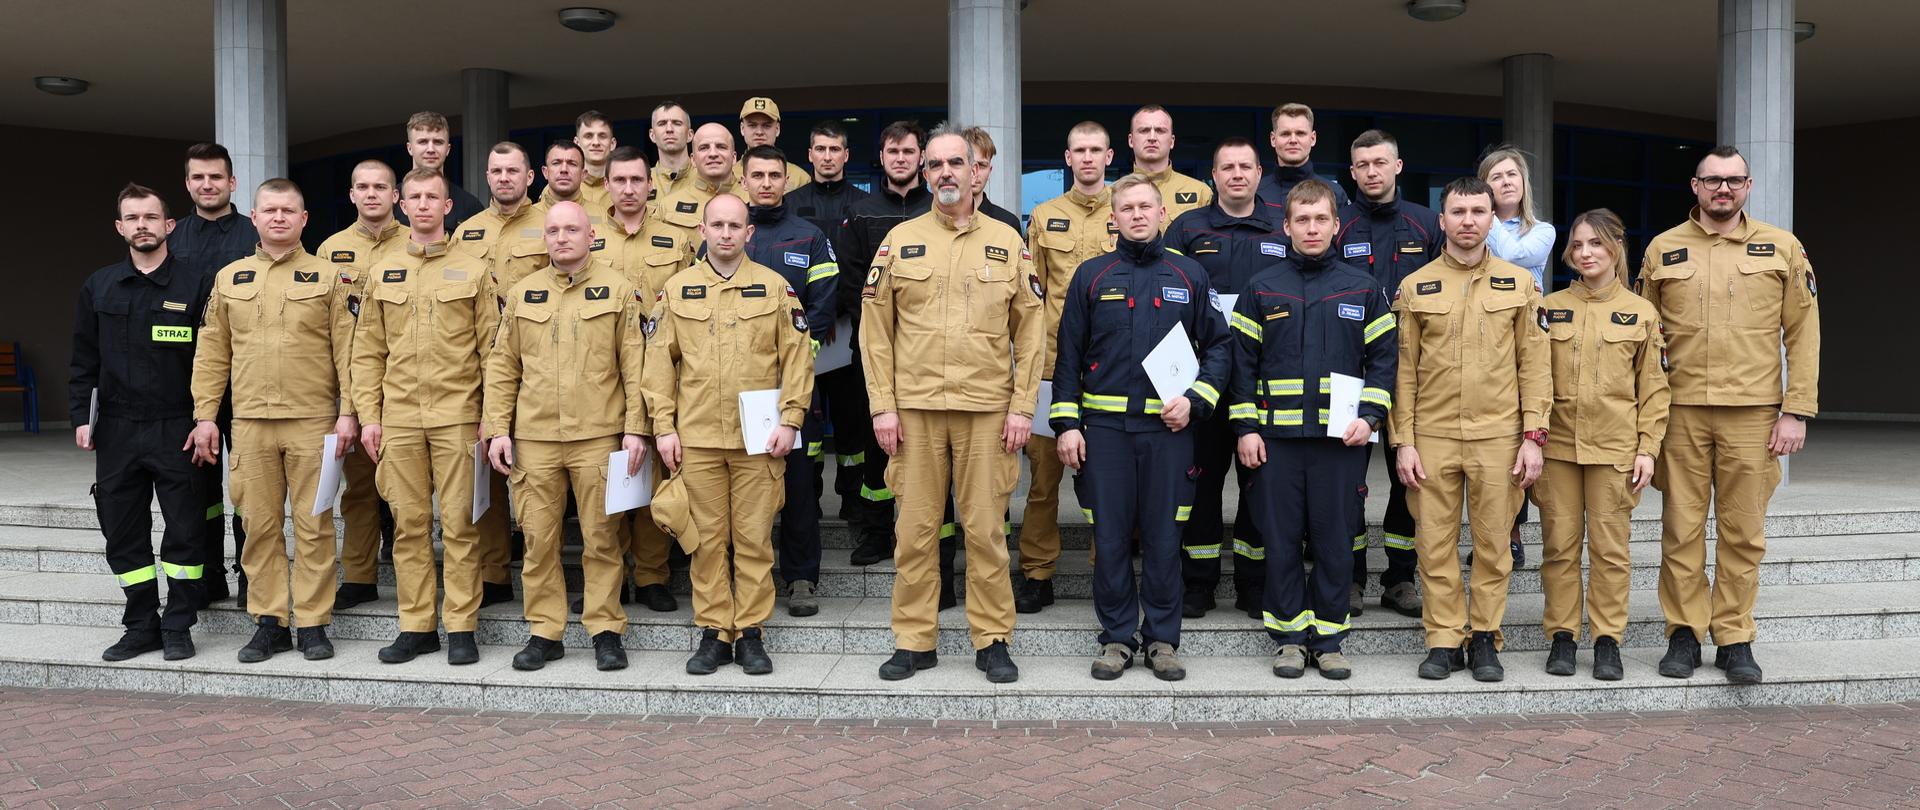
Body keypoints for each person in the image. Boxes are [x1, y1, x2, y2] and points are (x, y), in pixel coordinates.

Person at [860, 123, 1042, 684]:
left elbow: (1031, 329)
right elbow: (875, 329)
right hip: (913, 411)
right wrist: (882, 407)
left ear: (973, 170)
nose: (944, 173)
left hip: (986, 410)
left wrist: (1022, 407)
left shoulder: (1008, 241)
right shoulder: (899, 241)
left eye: (954, 164)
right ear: (924, 173)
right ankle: (915, 640)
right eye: (934, 165)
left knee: (985, 530)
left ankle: (992, 639)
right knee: (914, 531)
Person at [1640, 145, 1820, 685]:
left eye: (1734, 180)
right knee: (1681, 529)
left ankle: (1735, 637)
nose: (1723, 189)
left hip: (1754, 414)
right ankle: (1684, 635)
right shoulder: (1662, 249)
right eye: (1713, 180)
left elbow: (1803, 333)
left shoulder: (1782, 248)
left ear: (1748, 186)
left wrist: (1796, 410)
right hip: (1681, 412)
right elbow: (1644, 340)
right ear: (1694, 186)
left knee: (1743, 533)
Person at [1050, 173, 1229, 681]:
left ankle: (1163, 640)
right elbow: (1067, 359)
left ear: (1161, 214)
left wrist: (1196, 401)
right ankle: (1116, 638)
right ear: (1113, 217)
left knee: (1164, 537)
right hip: (1104, 433)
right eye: (1126, 208)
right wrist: (1067, 425)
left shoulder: (1191, 275)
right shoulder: (1090, 276)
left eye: (1145, 207)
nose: (1136, 215)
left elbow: (1219, 347)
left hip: (1168, 434)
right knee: (1108, 539)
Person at [188, 178, 358, 664]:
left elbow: (349, 353)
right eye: (270, 210)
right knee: (258, 526)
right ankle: (269, 622)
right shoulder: (230, 278)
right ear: (255, 218)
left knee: (315, 526)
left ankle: (313, 623)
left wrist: (349, 413)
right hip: (252, 425)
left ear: (304, 219)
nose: (279, 217)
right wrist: (205, 416)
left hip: (313, 422)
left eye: (289, 210)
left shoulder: (330, 278)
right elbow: (212, 354)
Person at [1231, 179, 1396, 681]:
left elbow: (1384, 362)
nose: (1311, 228)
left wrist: (1368, 419)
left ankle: (1328, 638)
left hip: (1338, 443)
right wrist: (1246, 429)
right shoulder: (1261, 288)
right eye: (1301, 220)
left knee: (1334, 541)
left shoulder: (1363, 288)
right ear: (1286, 226)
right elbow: (1241, 366)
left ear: (1335, 224)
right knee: (1279, 541)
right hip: (1276, 443)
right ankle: (1287, 638)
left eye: (1320, 219)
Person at [645, 194, 814, 675]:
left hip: (758, 442)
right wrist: (663, 428)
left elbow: (798, 359)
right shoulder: (677, 290)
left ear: (749, 233)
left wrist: (792, 419)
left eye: (734, 225)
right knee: (706, 541)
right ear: (702, 231)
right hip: (696, 439)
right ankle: (715, 632)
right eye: (716, 225)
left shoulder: (775, 288)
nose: (724, 233)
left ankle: (753, 633)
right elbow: (657, 364)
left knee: (755, 538)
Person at [1392, 177, 1549, 683]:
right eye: (1458, 212)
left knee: (1493, 544)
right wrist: (1404, 441)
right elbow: (1404, 372)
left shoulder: (1520, 284)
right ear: (1442, 220)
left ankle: (1484, 638)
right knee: (1433, 545)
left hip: (1499, 436)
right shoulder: (1416, 287)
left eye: (1478, 211)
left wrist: (1533, 437)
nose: (1467, 221)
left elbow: (1535, 364)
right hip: (1433, 437)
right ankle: (1442, 639)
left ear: (1491, 218)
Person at [485, 201, 649, 673]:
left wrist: (637, 428)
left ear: (591, 235)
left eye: (571, 229)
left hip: (599, 436)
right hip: (534, 438)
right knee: (538, 540)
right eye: (552, 230)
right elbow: (503, 367)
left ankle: (604, 629)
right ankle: (545, 631)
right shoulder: (522, 293)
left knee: (602, 539)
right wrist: (499, 428)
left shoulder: (619, 290)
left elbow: (635, 367)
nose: (561, 238)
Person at [350, 168, 499, 665]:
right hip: (399, 419)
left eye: (432, 196)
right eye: (413, 196)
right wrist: (370, 417)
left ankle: (460, 626)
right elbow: (367, 351)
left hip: (458, 418)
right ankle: (417, 626)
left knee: (459, 525)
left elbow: (492, 352)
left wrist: (490, 418)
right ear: (401, 203)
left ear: (447, 206)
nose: (422, 204)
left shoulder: (474, 269)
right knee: (410, 525)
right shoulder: (383, 271)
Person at [71, 183, 216, 662]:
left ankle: (178, 624)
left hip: (178, 427)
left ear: (168, 225)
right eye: (132, 218)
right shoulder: (100, 285)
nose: (142, 226)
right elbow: (83, 361)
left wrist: (205, 420)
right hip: (117, 429)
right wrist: (81, 418)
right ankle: (140, 625)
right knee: (122, 529)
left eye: (150, 218)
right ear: (120, 227)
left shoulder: (197, 283)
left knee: (185, 528)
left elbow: (214, 361)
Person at [1536, 208, 1669, 681]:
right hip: (1558, 451)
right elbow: (1532, 380)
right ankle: (1563, 638)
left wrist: (1647, 448)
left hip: (1615, 451)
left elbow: (1654, 388)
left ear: (1616, 249)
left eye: (1596, 243)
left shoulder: (1641, 312)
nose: (1586, 252)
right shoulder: (1548, 308)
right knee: (1559, 548)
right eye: (1578, 245)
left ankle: (1608, 639)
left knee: (1611, 552)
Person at [1167, 137, 1290, 619]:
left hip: (1265, 382)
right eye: (1226, 167)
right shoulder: (1187, 227)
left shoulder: (1285, 227)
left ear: (1261, 173)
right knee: (1199, 486)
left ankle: (1252, 583)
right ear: (1212, 177)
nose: (1236, 174)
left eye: (1245, 166)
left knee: (1260, 487)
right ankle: (1198, 583)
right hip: (1202, 382)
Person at [1335, 129, 1444, 617]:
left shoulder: (1425, 224)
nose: (1372, 172)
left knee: (1410, 479)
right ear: (1352, 171)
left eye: (1380, 163)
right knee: (1346, 480)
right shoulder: (1336, 225)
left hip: (1415, 372)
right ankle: (1350, 576)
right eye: (1362, 165)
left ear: (1397, 166)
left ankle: (1400, 578)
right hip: (1348, 371)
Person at [734, 145, 839, 617]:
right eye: (757, 174)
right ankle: (743, 577)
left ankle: (800, 578)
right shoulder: (729, 234)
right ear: (744, 179)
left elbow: (822, 305)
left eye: (775, 174)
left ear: (786, 179)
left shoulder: (810, 237)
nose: (766, 183)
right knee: (741, 487)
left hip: (794, 387)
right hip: (735, 387)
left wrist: (795, 363)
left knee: (798, 484)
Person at [1018, 120, 1116, 615]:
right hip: (1050, 371)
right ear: (1067, 157)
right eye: (1079, 150)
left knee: (1105, 483)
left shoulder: (1128, 212)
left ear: (1109, 156)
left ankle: (1109, 569)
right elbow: (1030, 297)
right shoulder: (1043, 215)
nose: (1087, 158)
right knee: (1042, 481)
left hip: (1108, 374)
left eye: (1096, 150)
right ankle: (1037, 572)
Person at [593, 145, 694, 615]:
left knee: (653, 471)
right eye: (621, 181)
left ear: (650, 183)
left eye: (638, 180)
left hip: (660, 371)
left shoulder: (676, 239)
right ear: (607, 184)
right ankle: (607, 578)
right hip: (597, 373)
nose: (629, 189)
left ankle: (653, 576)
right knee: (607, 477)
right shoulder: (586, 235)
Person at [452, 140, 547, 605]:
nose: (504, 178)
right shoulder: (465, 233)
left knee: (542, 481)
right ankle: (493, 574)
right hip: (477, 368)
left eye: (513, 170)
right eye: (496, 171)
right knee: (485, 472)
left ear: (531, 177)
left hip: (541, 369)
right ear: (486, 177)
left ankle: (542, 570)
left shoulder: (551, 226)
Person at [833, 121, 930, 567]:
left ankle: (927, 534)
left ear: (921, 157)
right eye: (893, 151)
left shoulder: (939, 209)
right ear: (882, 156)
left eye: (909, 151)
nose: (901, 158)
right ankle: (875, 532)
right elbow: (853, 281)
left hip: (931, 354)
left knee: (929, 446)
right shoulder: (862, 212)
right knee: (877, 442)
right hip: (872, 351)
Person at [167, 142, 258, 608]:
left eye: (216, 177)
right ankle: (206, 579)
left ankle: (250, 579)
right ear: (188, 184)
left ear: (231, 182)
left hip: (247, 378)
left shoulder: (253, 233)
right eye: (198, 178)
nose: (208, 185)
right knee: (197, 485)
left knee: (247, 485)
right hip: (189, 381)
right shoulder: (172, 237)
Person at [315, 159, 405, 610]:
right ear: (351, 195)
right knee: (360, 489)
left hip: (409, 387)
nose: (372, 194)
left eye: (381, 187)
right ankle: (361, 575)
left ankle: (418, 576)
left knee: (413, 493)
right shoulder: (330, 251)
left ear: (396, 196)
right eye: (363, 187)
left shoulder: (417, 243)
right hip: (353, 386)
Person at [1481, 145, 1558, 570]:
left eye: (1512, 175)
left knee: (1517, 435)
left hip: (1523, 342)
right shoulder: (1474, 226)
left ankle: (1511, 530)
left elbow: (1510, 257)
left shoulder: (1541, 231)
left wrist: (1487, 217)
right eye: (1495, 177)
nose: (1506, 182)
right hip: (1483, 340)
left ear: (1524, 183)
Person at [657, 123, 750, 248]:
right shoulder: (668, 206)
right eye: (704, 148)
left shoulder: (752, 200)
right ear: (693, 159)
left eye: (721, 147)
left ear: (734, 158)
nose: (713, 154)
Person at [397, 111, 486, 227]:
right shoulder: (388, 203)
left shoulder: (469, 206)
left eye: (438, 142)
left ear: (448, 149)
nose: (430, 149)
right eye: (423, 142)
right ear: (409, 148)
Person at [783, 121, 871, 238]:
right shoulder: (790, 202)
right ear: (810, 155)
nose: (827, 157)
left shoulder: (864, 203)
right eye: (820, 149)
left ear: (846, 155)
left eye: (834, 149)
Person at [1127, 105, 1211, 224]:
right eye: (1144, 130)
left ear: (1172, 141)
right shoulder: (1113, 194)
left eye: (1160, 131)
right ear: (1131, 140)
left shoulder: (1200, 193)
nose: (1152, 138)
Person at [1256, 103, 1350, 209]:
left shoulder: (1335, 194)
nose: (1293, 140)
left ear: (1312, 138)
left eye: (1300, 133)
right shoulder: (1256, 193)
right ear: (1273, 139)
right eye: (1285, 134)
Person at [734, 97, 811, 192]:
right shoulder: (729, 176)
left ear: (777, 129)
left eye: (766, 126)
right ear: (742, 129)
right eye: (752, 125)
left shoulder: (799, 177)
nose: (759, 132)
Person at [961, 126, 1023, 235]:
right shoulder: (933, 220)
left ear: (990, 171)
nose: (975, 172)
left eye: (982, 165)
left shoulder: (1008, 223)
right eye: (969, 164)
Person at [532, 140, 605, 224]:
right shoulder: (526, 219)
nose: (564, 169)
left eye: (572, 164)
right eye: (556, 163)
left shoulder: (603, 216)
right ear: (545, 172)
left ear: (583, 174)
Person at [648, 101, 695, 200]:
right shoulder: (640, 180)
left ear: (690, 135)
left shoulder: (706, 178)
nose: (669, 129)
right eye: (662, 124)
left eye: (677, 123)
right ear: (652, 135)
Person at [574, 110, 618, 210]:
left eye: (602, 136)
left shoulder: (625, 187)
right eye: (588, 136)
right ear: (577, 143)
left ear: (612, 144)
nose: (596, 142)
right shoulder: (562, 186)